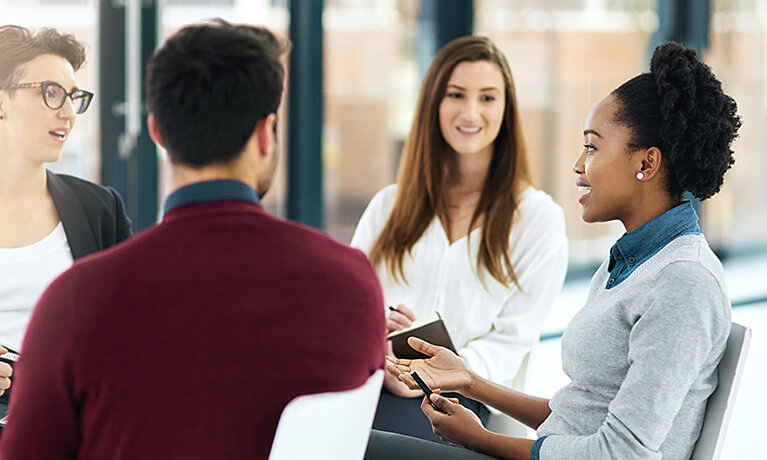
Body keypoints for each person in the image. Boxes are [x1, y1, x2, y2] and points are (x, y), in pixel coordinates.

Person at [0, 19, 386, 459]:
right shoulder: (352, 283)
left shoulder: (75, 299)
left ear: (157, 133)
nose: (66, 111)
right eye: (50, 94)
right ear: (266, 133)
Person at [369, 40, 741, 460]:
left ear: (647, 163)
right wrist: (468, 380)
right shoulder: (631, 263)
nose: (579, 165)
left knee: (351, 446)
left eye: (592, 146)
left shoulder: (683, 282)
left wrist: (479, 439)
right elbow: (576, 415)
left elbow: (619, 453)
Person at [350, 35, 568, 442]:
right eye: (456, 95)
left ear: (506, 109)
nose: (471, 111)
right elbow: (346, 304)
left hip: (461, 396)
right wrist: (378, 344)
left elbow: (509, 344)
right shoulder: (389, 206)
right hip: (373, 379)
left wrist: (435, 373)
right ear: (435, 103)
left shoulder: (538, 220)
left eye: (487, 97)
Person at [0, 25, 132, 353]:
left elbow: (133, 322)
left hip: (67, 403)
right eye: (51, 92)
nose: (69, 113)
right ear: (2, 102)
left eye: (73, 97)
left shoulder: (99, 209)